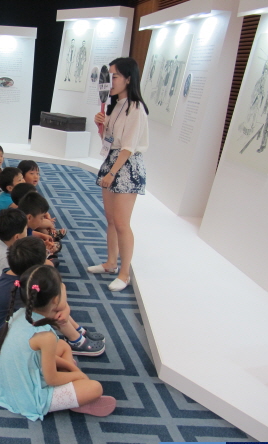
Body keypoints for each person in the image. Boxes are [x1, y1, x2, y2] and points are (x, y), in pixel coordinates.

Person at [0, 265, 116, 421]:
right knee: (95, 388)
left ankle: (70, 388)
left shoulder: (21, 314)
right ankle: (73, 399)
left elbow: (31, 355)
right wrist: (77, 375)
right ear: (56, 299)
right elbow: (51, 379)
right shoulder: (46, 337)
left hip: (10, 385)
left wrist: (71, 370)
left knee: (63, 346)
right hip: (29, 400)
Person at [0, 237, 105, 354]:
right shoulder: (24, 286)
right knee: (52, 310)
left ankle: (78, 331)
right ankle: (76, 341)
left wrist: (64, 305)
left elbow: (51, 270)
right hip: (1, 336)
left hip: (8, 324)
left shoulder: (16, 273)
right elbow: (57, 304)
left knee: (54, 302)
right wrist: (64, 302)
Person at [90, 57, 149, 292]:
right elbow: (109, 141)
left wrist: (113, 173)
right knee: (111, 219)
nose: (110, 81)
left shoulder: (136, 108)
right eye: (110, 76)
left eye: (115, 76)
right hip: (112, 161)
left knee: (122, 223)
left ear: (128, 79)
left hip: (126, 166)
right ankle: (111, 263)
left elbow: (129, 147)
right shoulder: (116, 105)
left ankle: (125, 274)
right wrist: (101, 126)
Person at [16, 160, 67, 240]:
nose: (36, 176)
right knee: (42, 222)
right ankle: (50, 235)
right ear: (22, 175)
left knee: (41, 220)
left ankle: (50, 235)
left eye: (37, 173)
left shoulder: (31, 190)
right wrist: (49, 224)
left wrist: (47, 216)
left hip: (30, 219)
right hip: (26, 222)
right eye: (32, 173)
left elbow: (40, 208)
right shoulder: (23, 192)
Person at [0, 167, 24, 232]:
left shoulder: (6, 195)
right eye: (19, 180)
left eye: (22, 178)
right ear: (10, 188)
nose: (23, 181)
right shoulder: (12, 202)